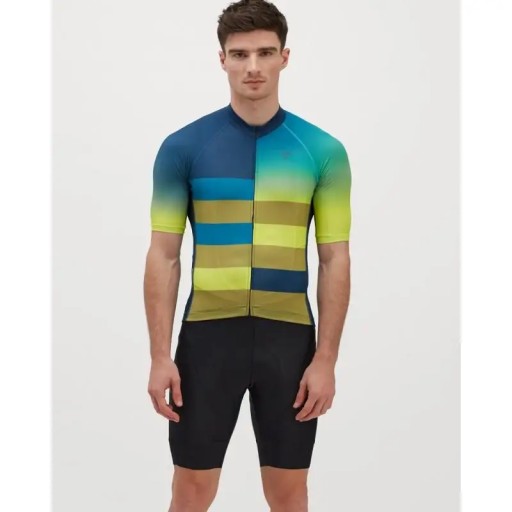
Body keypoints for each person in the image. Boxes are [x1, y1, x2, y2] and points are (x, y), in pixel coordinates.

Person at [143, 0, 352, 510]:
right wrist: (159, 356)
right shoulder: (183, 148)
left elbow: (334, 259)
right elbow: (164, 255)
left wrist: (326, 359)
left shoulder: (323, 151)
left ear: (285, 57)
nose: (252, 66)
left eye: (264, 52)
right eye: (239, 54)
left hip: (289, 342)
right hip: (207, 339)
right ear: (222, 60)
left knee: (289, 492)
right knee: (191, 489)